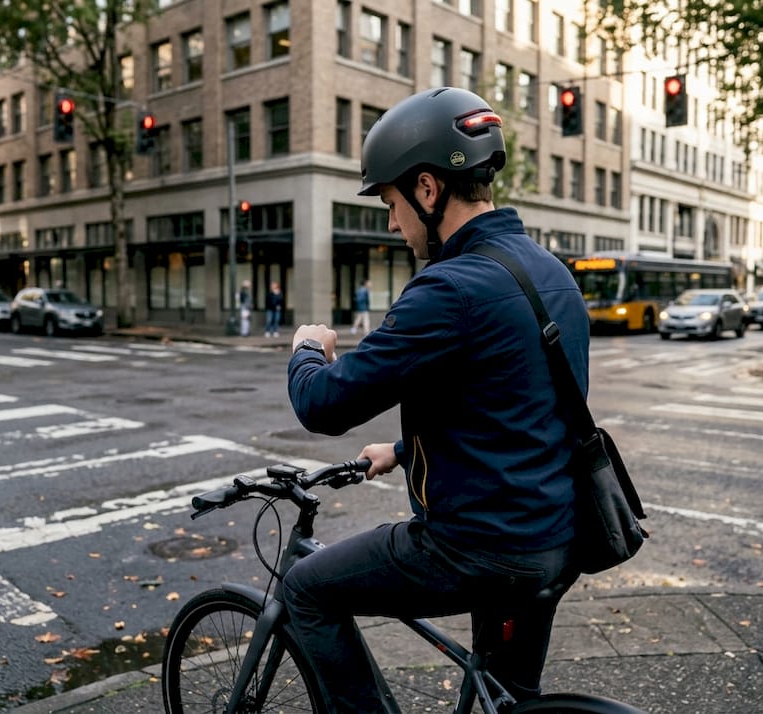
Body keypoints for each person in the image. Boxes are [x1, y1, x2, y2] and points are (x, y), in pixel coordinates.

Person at [284, 87, 588, 712]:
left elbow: (323, 405)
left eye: (392, 203)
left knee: (305, 589)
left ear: (429, 189)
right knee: (508, 702)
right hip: (554, 539)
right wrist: (402, 448)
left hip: (477, 547)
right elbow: (520, 405)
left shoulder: (448, 289)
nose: (393, 223)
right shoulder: (549, 271)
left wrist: (307, 348)